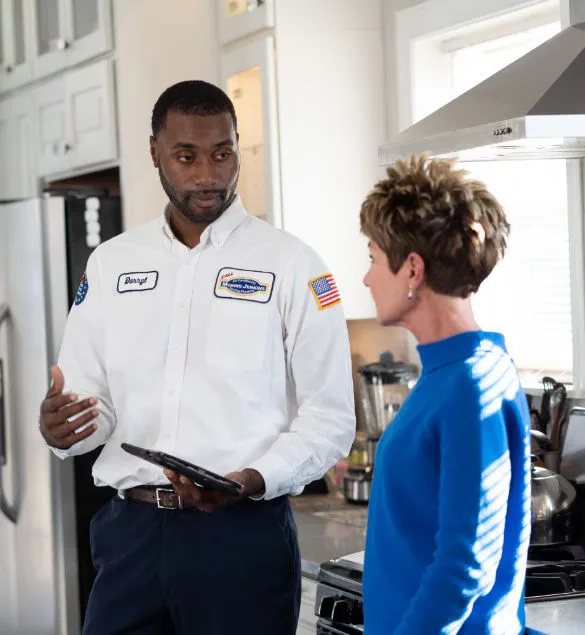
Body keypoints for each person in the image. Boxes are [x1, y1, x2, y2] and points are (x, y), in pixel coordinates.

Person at [38, 80, 355, 635]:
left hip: (241, 538)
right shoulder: (112, 263)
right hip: (129, 536)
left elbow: (330, 418)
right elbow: (94, 403)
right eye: (186, 156)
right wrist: (68, 429)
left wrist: (251, 480)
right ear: (155, 152)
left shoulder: (294, 264)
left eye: (222, 153)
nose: (208, 175)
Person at [360, 154, 531, 634]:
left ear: (412, 270)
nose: (367, 277)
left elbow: (465, 565)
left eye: (373, 258)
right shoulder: (452, 374)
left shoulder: (469, 386)